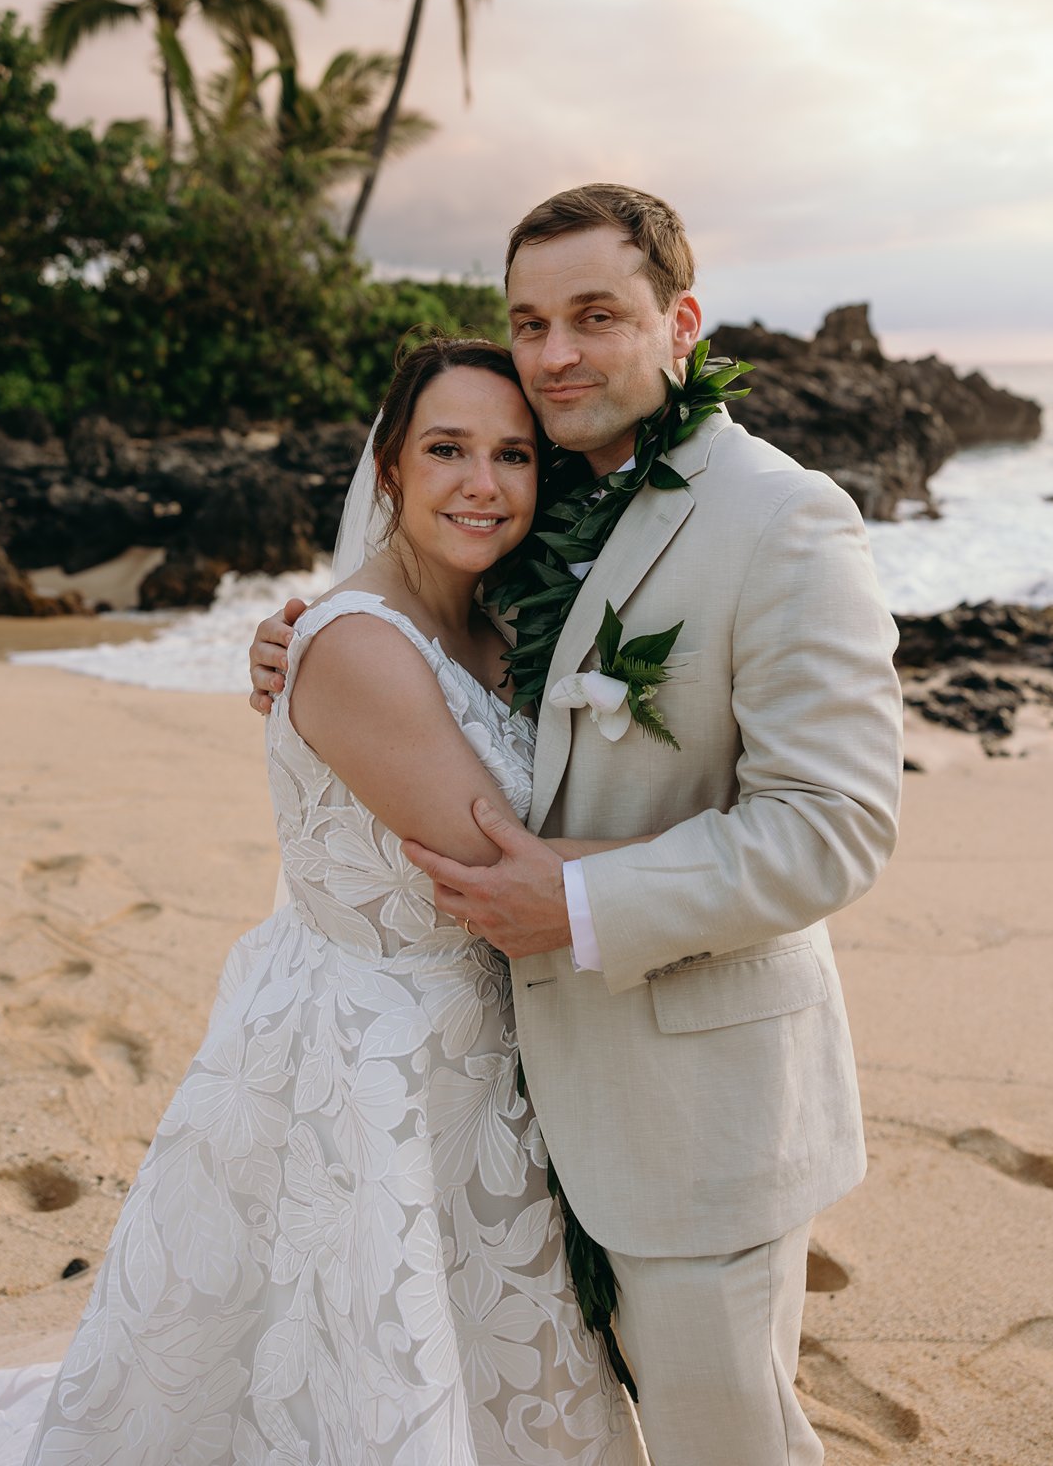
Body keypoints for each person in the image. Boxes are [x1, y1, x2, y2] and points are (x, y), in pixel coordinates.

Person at [249, 184, 904, 1466]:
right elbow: (441, 635)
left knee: (734, 1441)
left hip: (694, 1104)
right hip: (522, 1104)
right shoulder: (546, 500)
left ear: (681, 322)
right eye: (529, 320)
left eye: (595, 316)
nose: (553, 355)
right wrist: (313, 638)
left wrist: (585, 904)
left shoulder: (783, 519)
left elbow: (836, 826)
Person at [0, 339, 644, 1466]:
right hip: (374, 1058)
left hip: (482, 1050)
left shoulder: (507, 628)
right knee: (359, 1354)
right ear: (388, 470)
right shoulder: (356, 648)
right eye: (447, 449)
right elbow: (497, 863)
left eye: (513, 454)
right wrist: (746, 839)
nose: (483, 480)